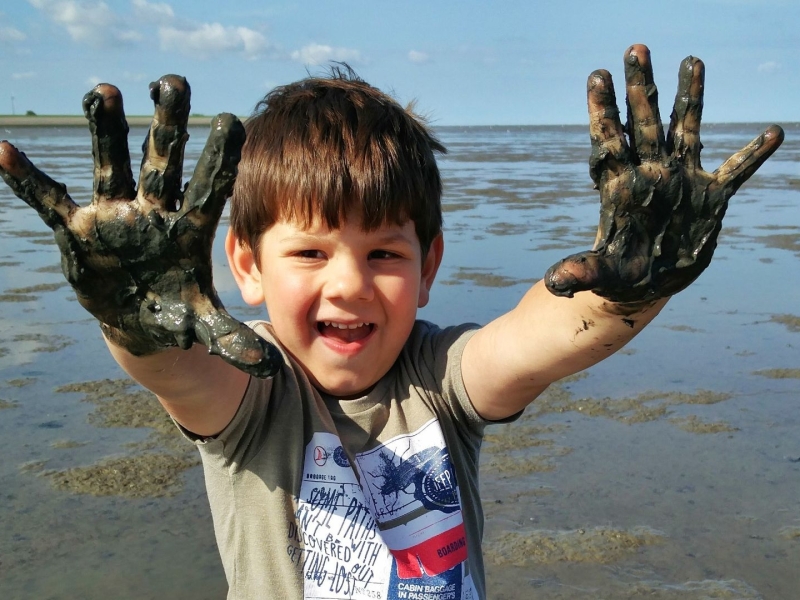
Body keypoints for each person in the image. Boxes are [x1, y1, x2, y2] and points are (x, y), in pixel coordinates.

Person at [0, 44, 784, 599]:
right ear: (244, 265)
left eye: (383, 253)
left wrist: (635, 285)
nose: (350, 284)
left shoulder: (438, 378)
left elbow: (541, 340)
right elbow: (175, 370)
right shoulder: (252, 394)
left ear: (429, 265)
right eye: (308, 252)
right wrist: (133, 319)